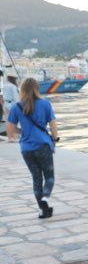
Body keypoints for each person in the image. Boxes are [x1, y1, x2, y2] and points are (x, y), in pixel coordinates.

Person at [6, 77, 58, 218]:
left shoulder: (16, 107)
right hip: (43, 146)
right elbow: (53, 125)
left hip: (26, 148)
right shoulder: (45, 104)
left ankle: (43, 210)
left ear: (22, 89)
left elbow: (10, 129)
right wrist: (54, 139)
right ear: (36, 88)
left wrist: (23, 132)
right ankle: (45, 199)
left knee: (36, 178)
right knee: (49, 177)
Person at [3, 75, 19, 140]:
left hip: (5, 103)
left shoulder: (5, 86)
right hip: (12, 104)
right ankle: (14, 137)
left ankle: (9, 138)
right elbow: (16, 98)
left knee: (7, 121)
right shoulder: (13, 86)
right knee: (14, 121)